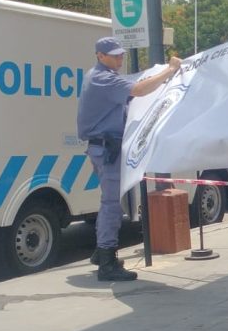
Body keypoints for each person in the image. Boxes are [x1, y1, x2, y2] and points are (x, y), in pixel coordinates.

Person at [76, 37, 181, 282]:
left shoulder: (100, 76)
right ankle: (107, 262)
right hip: (107, 149)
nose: (120, 58)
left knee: (111, 201)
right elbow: (137, 89)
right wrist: (170, 70)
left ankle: (101, 252)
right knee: (111, 204)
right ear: (100, 56)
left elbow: (133, 92)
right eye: (114, 55)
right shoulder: (103, 78)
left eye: (121, 54)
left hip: (105, 148)